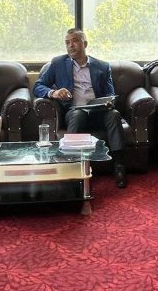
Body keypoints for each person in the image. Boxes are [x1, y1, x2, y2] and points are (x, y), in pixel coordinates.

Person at [34, 28, 127, 188]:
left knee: (114, 114)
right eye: (67, 42)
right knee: (78, 115)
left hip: (99, 111)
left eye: (75, 41)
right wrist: (54, 92)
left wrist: (109, 102)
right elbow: (38, 86)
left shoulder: (102, 66)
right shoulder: (57, 63)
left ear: (85, 43)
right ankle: (71, 166)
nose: (70, 45)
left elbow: (110, 93)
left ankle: (119, 166)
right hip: (75, 111)